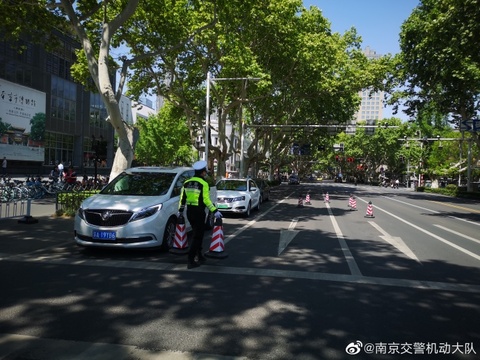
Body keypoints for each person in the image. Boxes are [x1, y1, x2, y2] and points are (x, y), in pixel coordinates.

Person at [178, 160, 222, 269]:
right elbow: (206, 200)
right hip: (199, 213)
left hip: (189, 212)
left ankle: (200, 255)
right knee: (197, 237)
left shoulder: (186, 182)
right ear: (202, 172)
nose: (205, 174)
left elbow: (182, 198)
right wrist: (215, 211)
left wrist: (180, 210)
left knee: (196, 234)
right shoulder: (203, 183)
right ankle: (191, 260)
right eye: (205, 172)